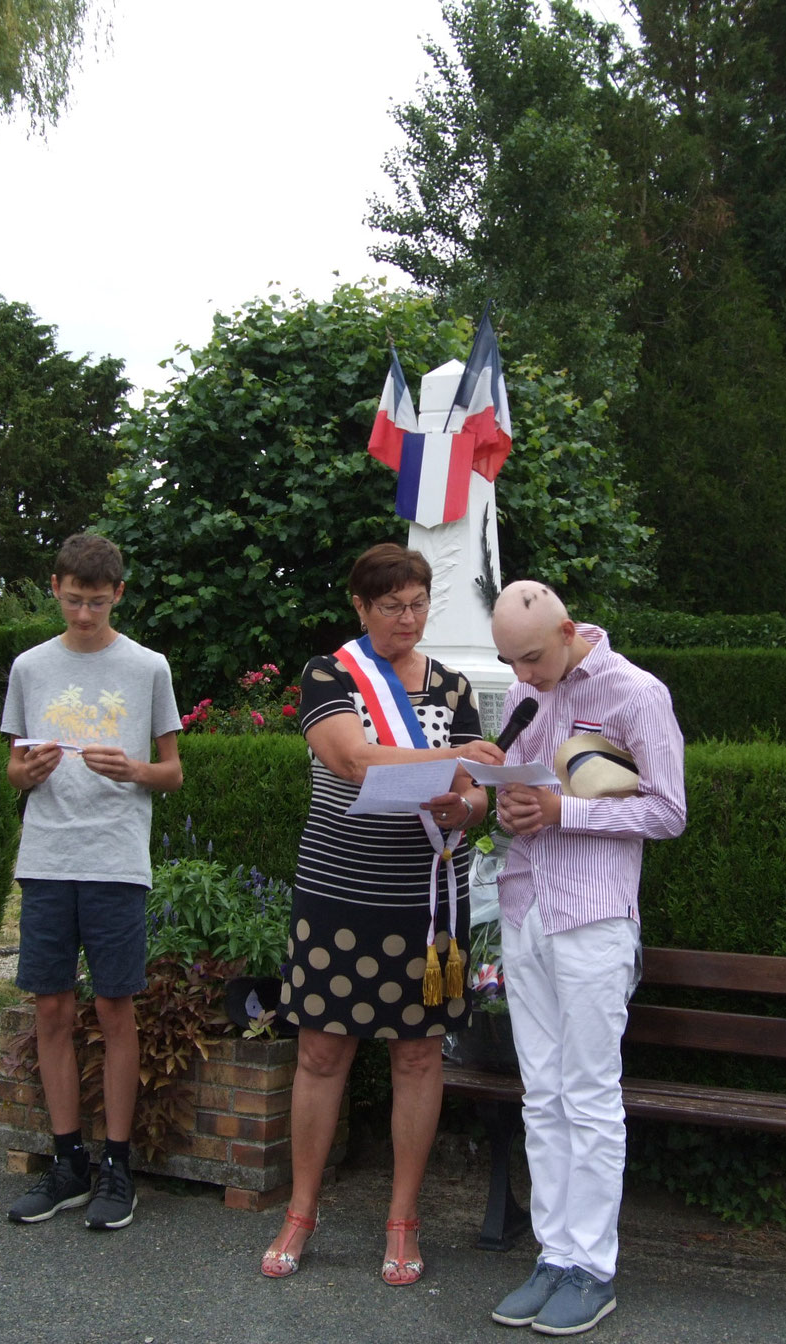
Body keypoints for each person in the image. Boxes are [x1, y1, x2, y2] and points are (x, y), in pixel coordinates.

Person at [259, 543, 506, 1282]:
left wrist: (465, 801)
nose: (408, 618)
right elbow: (350, 760)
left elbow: (480, 802)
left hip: (429, 899)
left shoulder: (455, 685)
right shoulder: (331, 674)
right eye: (392, 606)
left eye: (418, 603)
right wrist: (462, 759)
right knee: (321, 1052)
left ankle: (403, 1219)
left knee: (419, 1054)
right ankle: (301, 1210)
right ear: (360, 608)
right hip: (341, 892)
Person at [486, 580, 686, 1336]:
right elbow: (523, 791)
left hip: (596, 913)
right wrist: (505, 801)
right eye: (511, 662)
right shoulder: (522, 689)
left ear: (570, 630)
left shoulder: (638, 693)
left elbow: (669, 811)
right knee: (541, 1094)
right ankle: (552, 1253)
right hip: (525, 903)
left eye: (532, 658)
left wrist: (564, 810)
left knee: (591, 1094)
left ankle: (592, 1269)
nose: (523, 676)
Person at [0, 533, 182, 1232]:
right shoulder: (29, 667)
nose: (83, 615)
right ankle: (66, 1160)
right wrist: (29, 771)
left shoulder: (148, 668)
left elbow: (172, 770)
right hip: (46, 858)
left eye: (97, 603)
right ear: (54, 588)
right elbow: (13, 770)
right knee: (50, 1009)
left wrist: (133, 770)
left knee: (114, 1010)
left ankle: (116, 1166)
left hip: (114, 861)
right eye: (73, 600)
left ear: (119, 596)